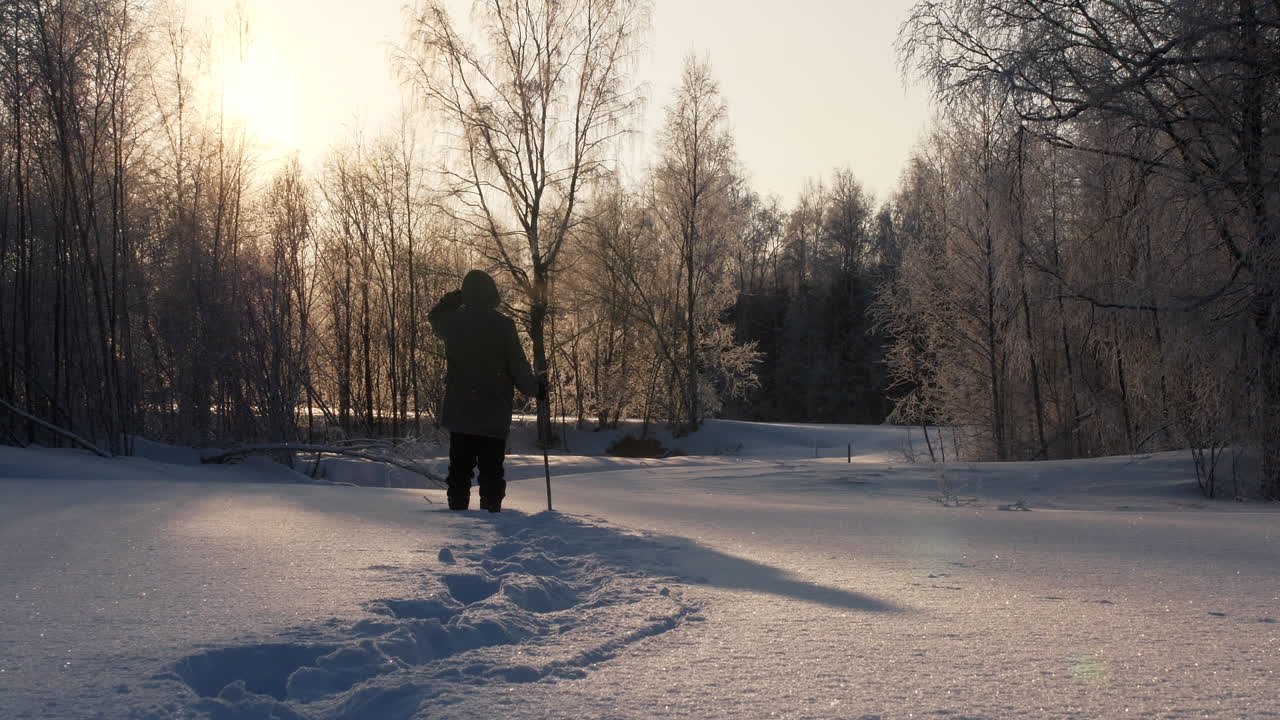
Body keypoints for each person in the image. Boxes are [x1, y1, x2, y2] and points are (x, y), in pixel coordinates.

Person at [428, 270, 538, 512]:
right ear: (492, 294)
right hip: (494, 410)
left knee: (459, 470)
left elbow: (434, 316)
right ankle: (491, 514)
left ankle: (457, 515)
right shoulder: (503, 325)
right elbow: (517, 365)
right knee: (491, 471)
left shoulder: (454, 323)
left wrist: (455, 298)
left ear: (466, 293)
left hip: (461, 410)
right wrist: (534, 388)